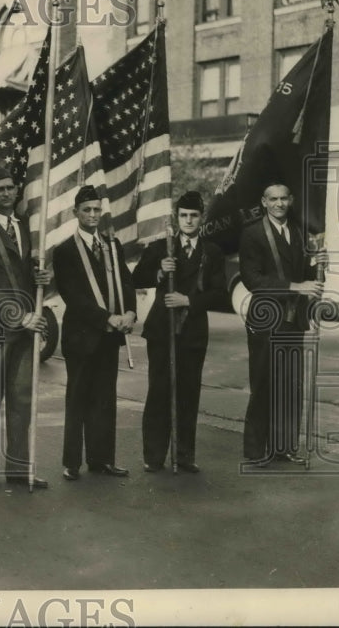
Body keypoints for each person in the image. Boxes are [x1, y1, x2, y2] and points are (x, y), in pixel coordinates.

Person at [0, 165, 52, 490]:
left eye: (9, 188)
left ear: (17, 191)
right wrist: (20, 316)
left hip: (25, 331)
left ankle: (19, 468)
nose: (5, 193)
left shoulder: (28, 228)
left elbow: (28, 274)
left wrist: (42, 278)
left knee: (22, 400)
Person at [132, 191, 227, 473]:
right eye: (183, 215)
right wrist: (159, 271)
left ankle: (184, 455)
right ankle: (154, 456)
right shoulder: (162, 247)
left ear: (202, 218)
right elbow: (136, 278)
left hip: (193, 331)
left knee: (188, 392)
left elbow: (220, 293)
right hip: (162, 330)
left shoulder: (212, 252)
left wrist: (189, 301)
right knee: (159, 391)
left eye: (194, 215)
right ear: (176, 217)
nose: (188, 220)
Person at [51, 185, 136, 481]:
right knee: (78, 399)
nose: (92, 215)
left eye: (97, 210)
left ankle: (102, 459)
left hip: (109, 337)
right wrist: (107, 318)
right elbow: (74, 297)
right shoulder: (64, 251)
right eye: (86, 210)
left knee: (105, 398)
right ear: (76, 213)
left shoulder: (112, 245)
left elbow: (126, 282)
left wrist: (130, 313)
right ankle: (72, 463)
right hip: (82, 337)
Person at [239, 181, 326, 466]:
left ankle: (285, 447)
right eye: (273, 199)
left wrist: (320, 264)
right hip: (266, 320)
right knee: (263, 383)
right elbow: (253, 280)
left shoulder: (298, 233)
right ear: (264, 202)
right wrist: (296, 287)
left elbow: (306, 274)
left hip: (292, 321)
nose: (279, 204)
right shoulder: (252, 233)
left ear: (291, 200)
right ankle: (255, 450)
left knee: (290, 385)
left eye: (284, 198)